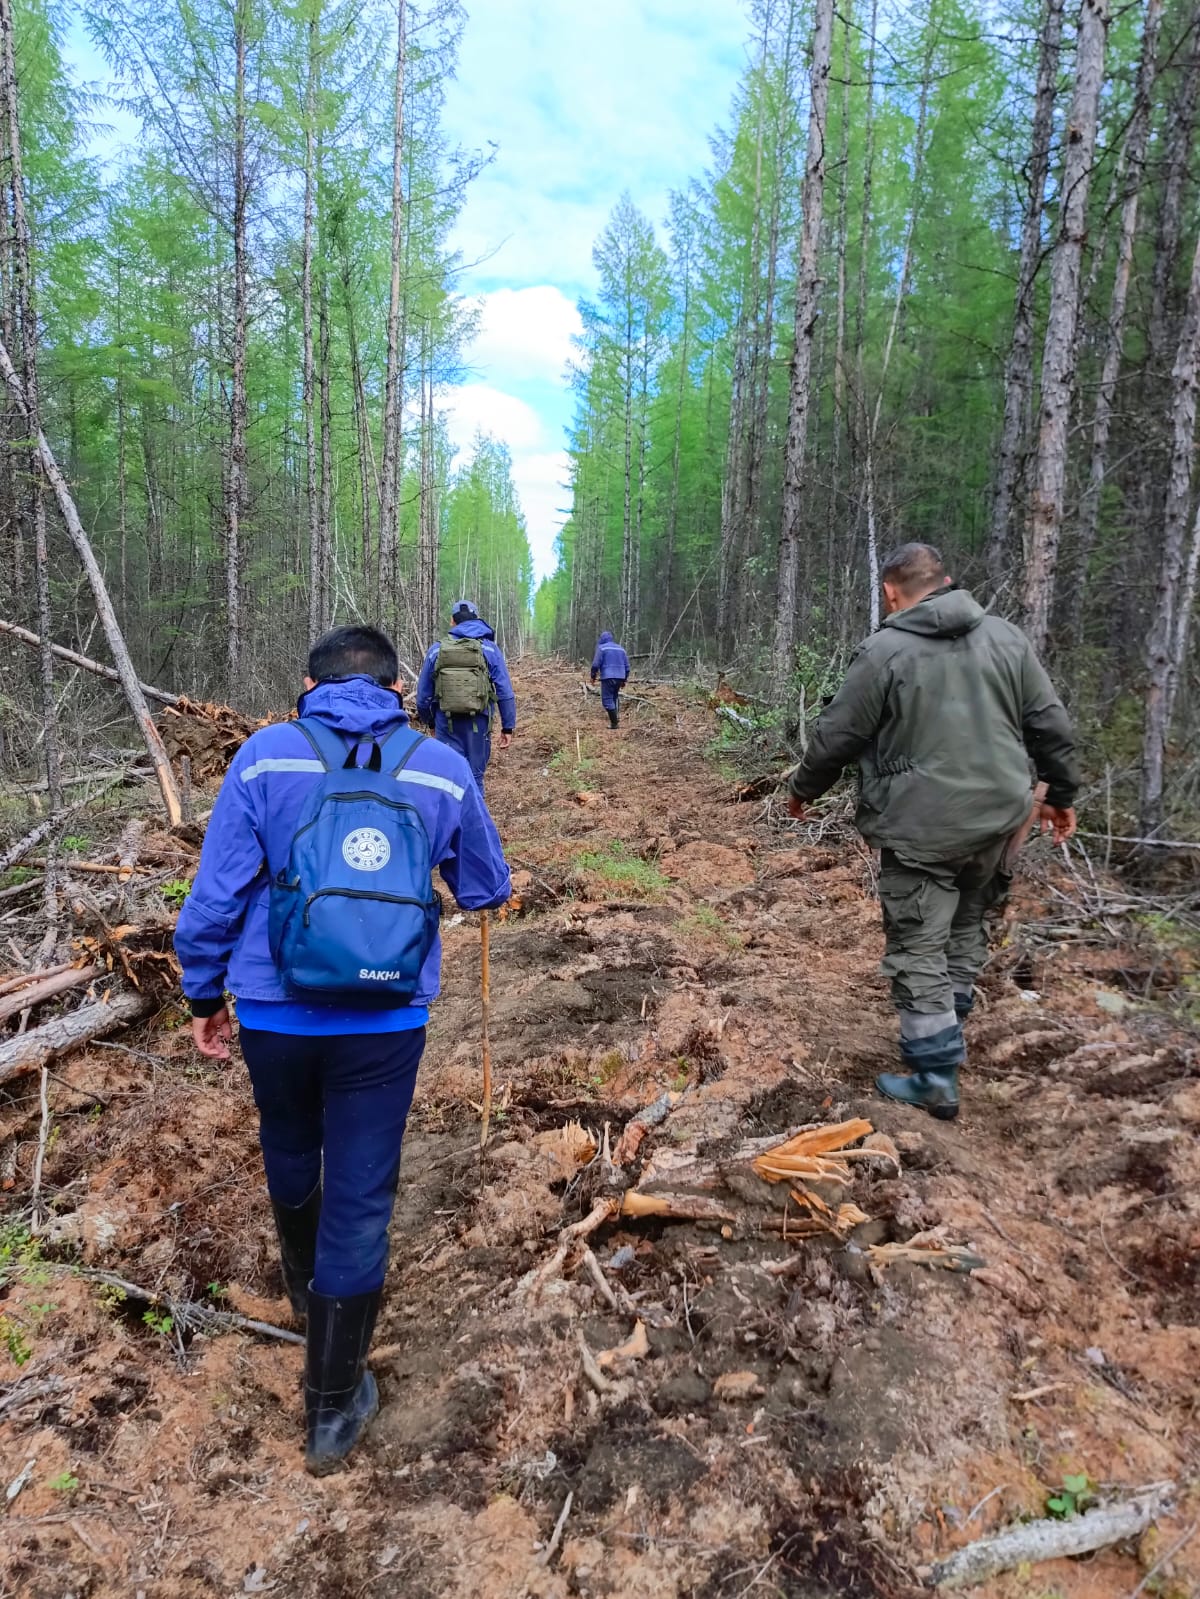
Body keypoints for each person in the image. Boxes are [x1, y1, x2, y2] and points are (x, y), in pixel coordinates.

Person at [174, 624, 511, 1475]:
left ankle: (302, 1290)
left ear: (306, 685)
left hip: (274, 1013)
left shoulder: (265, 757)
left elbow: (215, 896)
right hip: (386, 1020)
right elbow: (485, 885)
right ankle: (331, 1408)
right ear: (401, 690)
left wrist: (203, 994)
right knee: (363, 1193)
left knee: (289, 1145)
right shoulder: (440, 764)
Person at [786, 543, 1079, 1122]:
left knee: (919, 942)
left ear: (892, 593)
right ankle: (948, 1031)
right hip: (1000, 817)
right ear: (946, 581)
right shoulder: (1006, 639)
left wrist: (802, 789)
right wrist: (1060, 795)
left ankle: (935, 1077)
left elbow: (838, 735)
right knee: (967, 926)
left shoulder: (886, 650)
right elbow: (1049, 723)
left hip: (922, 826)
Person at [415, 600, 516, 793]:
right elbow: (504, 691)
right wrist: (507, 726)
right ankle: (475, 820)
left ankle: (450, 821)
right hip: (479, 724)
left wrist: (430, 723)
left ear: (453, 622)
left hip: (446, 723)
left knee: (447, 778)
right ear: (477, 618)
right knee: (475, 777)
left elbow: (423, 697)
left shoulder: (437, 650)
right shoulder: (489, 649)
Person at [590, 630, 631, 728]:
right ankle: (615, 718)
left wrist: (593, 676)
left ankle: (614, 723)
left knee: (607, 700)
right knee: (614, 697)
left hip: (608, 676)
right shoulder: (621, 649)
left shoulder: (602, 648)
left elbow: (595, 664)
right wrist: (624, 679)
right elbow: (627, 667)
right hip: (620, 676)